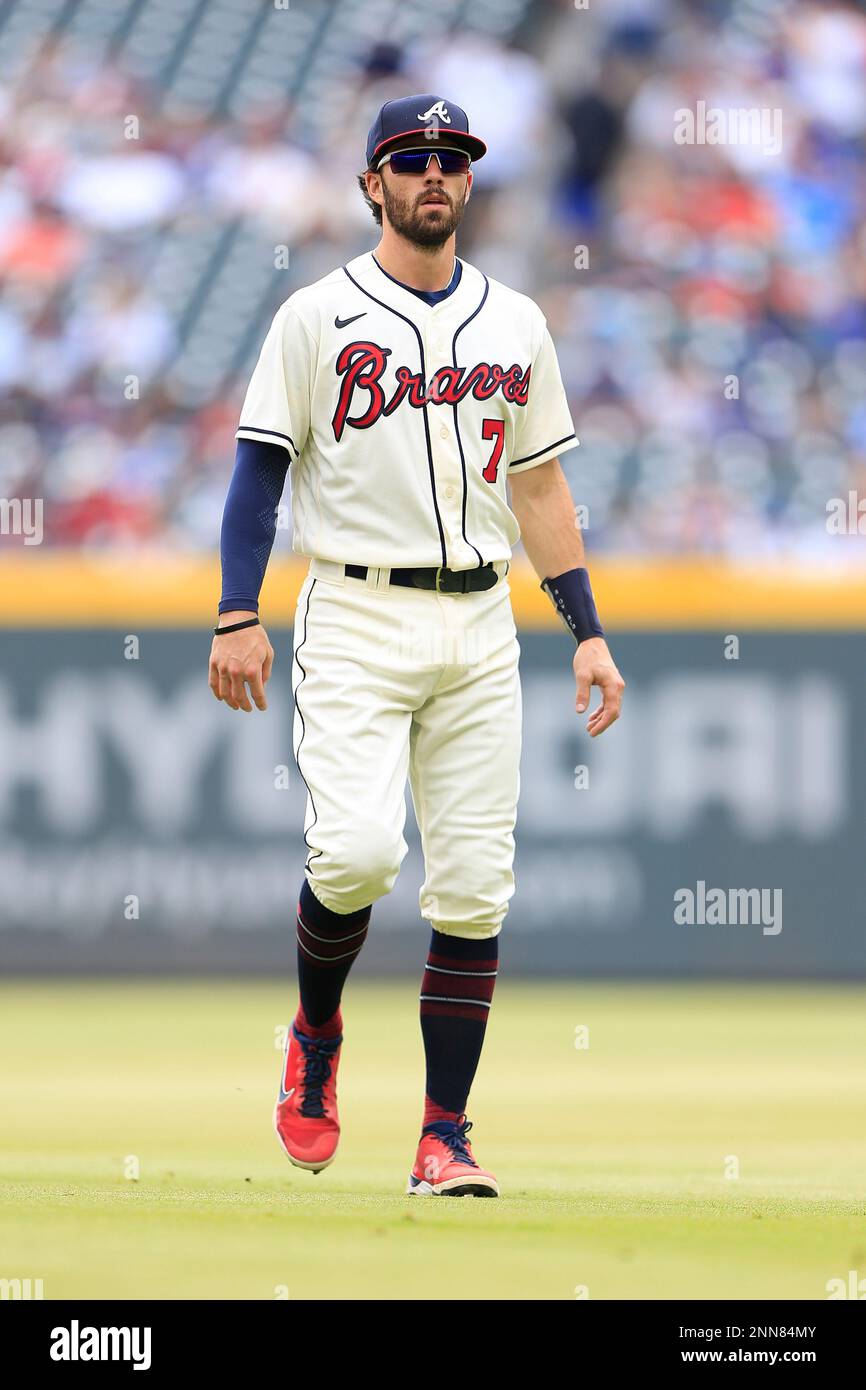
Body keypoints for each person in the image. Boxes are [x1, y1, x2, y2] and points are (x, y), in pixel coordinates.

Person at [209, 94, 625, 1197]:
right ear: (371, 185)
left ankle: (444, 1133)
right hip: (352, 608)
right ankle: (315, 1033)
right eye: (410, 159)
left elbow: (538, 484)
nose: (433, 173)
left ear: (471, 182)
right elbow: (260, 470)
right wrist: (235, 609)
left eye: (450, 158)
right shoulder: (314, 315)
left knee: (476, 888)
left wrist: (585, 630)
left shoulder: (515, 320)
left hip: (482, 614)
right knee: (352, 854)